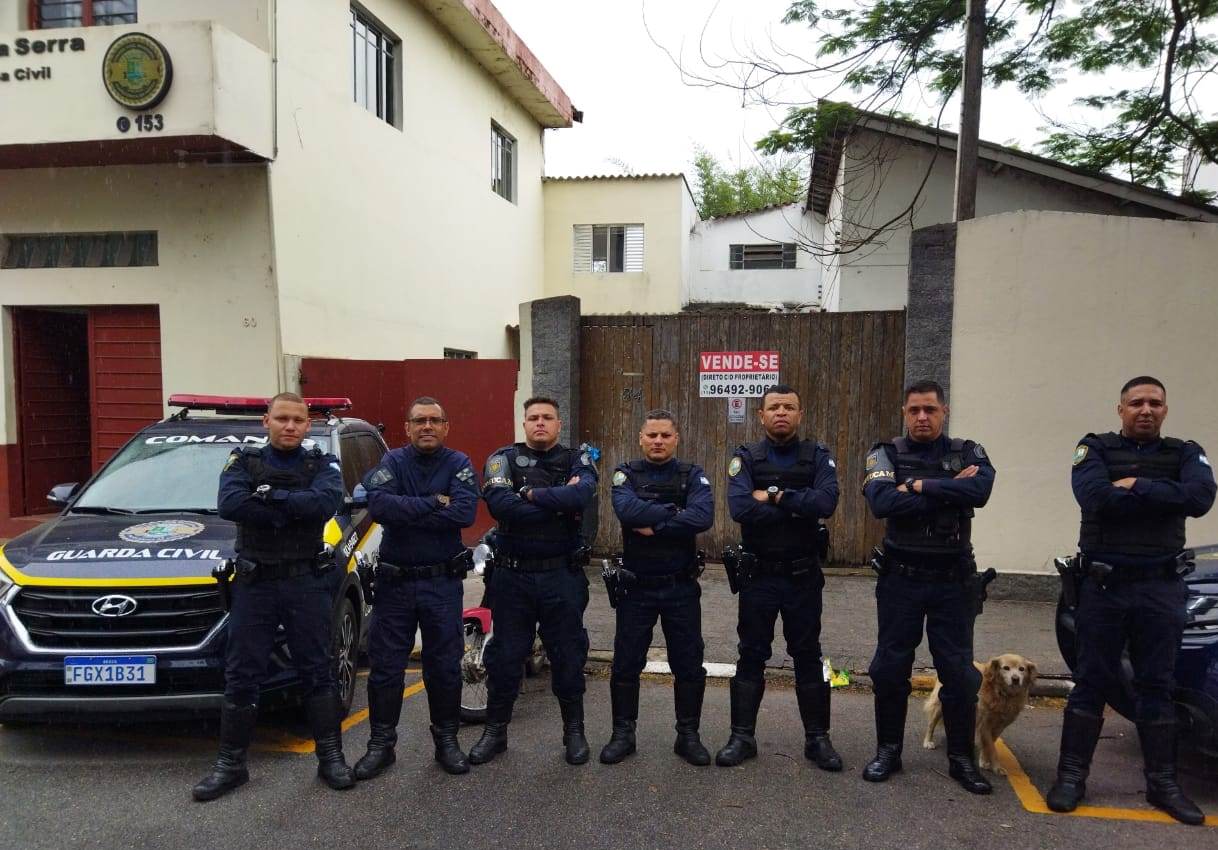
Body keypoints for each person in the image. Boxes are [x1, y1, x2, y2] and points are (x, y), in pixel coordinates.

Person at [1047, 376, 1214, 824]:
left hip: (1160, 588)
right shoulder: (1095, 448)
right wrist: (1165, 494)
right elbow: (1094, 497)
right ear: (1120, 409)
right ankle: (1071, 777)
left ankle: (1163, 784)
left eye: (1154, 403)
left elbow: (1200, 497)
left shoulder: (1185, 452)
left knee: (1157, 685)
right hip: (1104, 588)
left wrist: (1135, 484)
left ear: (1165, 410)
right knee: (1091, 682)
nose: (1146, 409)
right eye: (1136, 402)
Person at [193, 392, 350, 801]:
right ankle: (231, 766)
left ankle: (331, 758)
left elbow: (325, 503)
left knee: (318, 670)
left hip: (305, 583)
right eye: (282, 418)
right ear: (266, 421)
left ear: (308, 424)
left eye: (298, 420)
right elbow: (230, 504)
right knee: (242, 674)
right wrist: (293, 508)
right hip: (255, 584)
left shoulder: (321, 463)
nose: (290, 426)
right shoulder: (243, 461)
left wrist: (268, 497)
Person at [861, 379, 995, 794]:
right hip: (901, 580)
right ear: (905, 413)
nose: (922, 417)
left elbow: (980, 490)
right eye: (915, 410)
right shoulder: (886, 452)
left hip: (953, 582)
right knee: (889, 669)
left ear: (944, 412)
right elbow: (882, 502)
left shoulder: (968, 452)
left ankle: (961, 759)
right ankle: (888, 752)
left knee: (959, 674)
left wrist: (918, 485)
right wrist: (951, 490)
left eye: (930, 410)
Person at [716, 385, 842, 770]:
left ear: (800, 414)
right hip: (759, 577)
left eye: (789, 407)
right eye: (774, 407)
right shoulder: (745, 457)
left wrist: (772, 496)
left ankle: (818, 739)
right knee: (751, 653)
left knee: (808, 654)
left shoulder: (817, 455)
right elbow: (741, 508)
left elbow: (826, 502)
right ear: (761, 415)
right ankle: (742, 737)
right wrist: (798, 504)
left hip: (803, 576)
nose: (781, 413)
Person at [354, 397, 478, 779]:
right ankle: (381, 745)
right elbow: (380, 508)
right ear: (407, 428)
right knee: (386, 669)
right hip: (395, 585)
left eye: (434, 420)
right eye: (419, 420)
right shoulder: (393, 462)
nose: (427, 426)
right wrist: (435, 502)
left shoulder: (458, 463)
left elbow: (464, 513)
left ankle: (447, 742)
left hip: (442, 584)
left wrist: (407, 509)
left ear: (446, 427)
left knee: (444, 668)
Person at [470, 397, 599, 765]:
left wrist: (529, 495)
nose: (540, 422)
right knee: (505, 657)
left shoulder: (577, 460)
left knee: (568, 655)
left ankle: (574, 732)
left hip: (561, 576)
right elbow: (501, 506)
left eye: (547, 417)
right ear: (524, 423)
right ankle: (495, 732)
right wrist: (558, 506)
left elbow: (582, 494)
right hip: (513, 577)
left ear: (559, 424)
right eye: (533, 417)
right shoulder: (503, 459)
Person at [600, 409, 714, 766]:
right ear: (641, 438)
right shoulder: (626, 474)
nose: (658, 441)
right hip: (636, 588)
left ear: (676, 438)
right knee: (625, 663)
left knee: (689, 664)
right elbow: (627, 511)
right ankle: (623, 735)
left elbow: (703, 517)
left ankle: (688, 736)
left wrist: (658, 525)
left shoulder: (692, 474)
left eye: (665, 435)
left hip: (681, 587)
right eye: (652, 435)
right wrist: (675, 513)